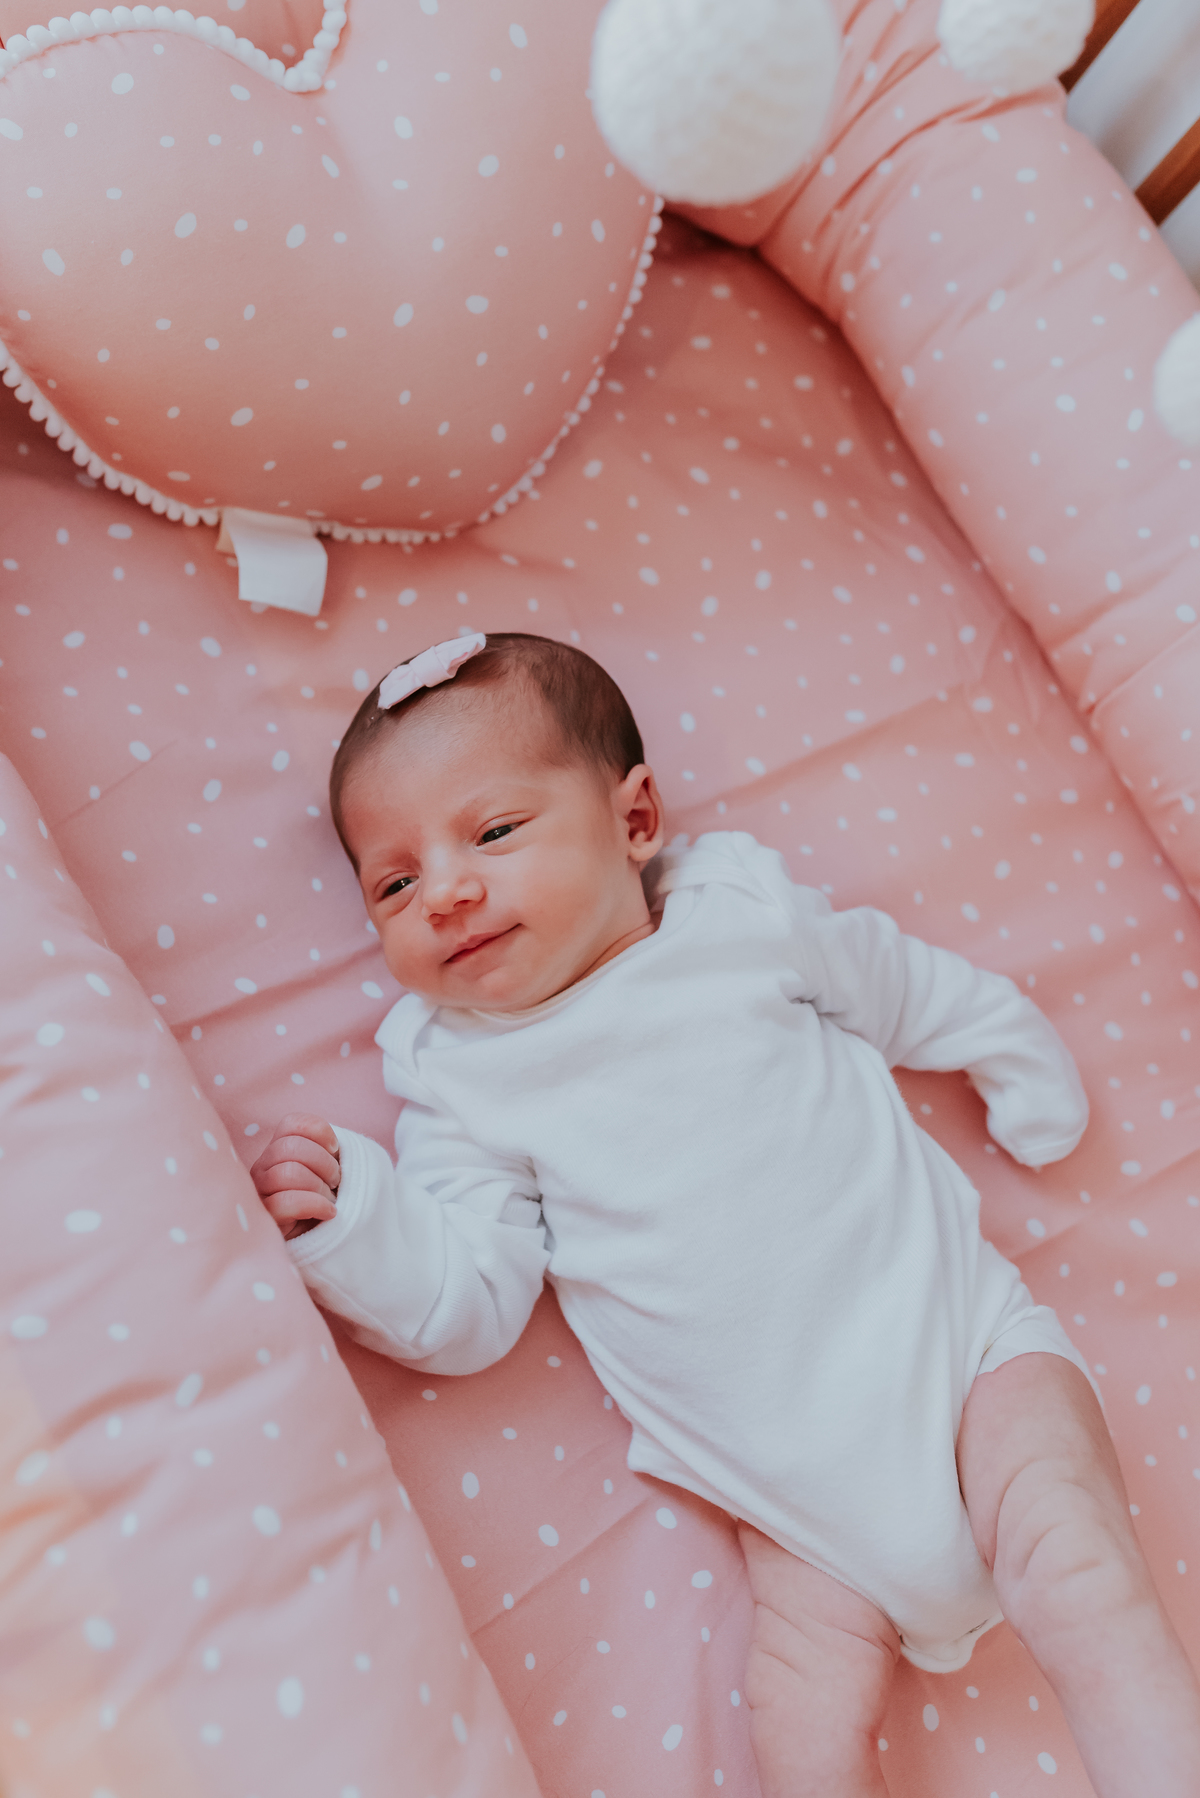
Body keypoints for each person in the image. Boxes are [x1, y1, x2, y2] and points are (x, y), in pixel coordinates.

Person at [251, 631, 1200, 1798]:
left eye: (493, 832)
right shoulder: (461, 1082)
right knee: (798, 1720)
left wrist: (1017, 1062)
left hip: (966, 1363)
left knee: (1087, 1582)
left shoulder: (738, 911)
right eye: (393, 883)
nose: (444, 889)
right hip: (795, 1506)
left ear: (634, 817)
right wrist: (361, 1228)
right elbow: (469, 1306)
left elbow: (896, 985)